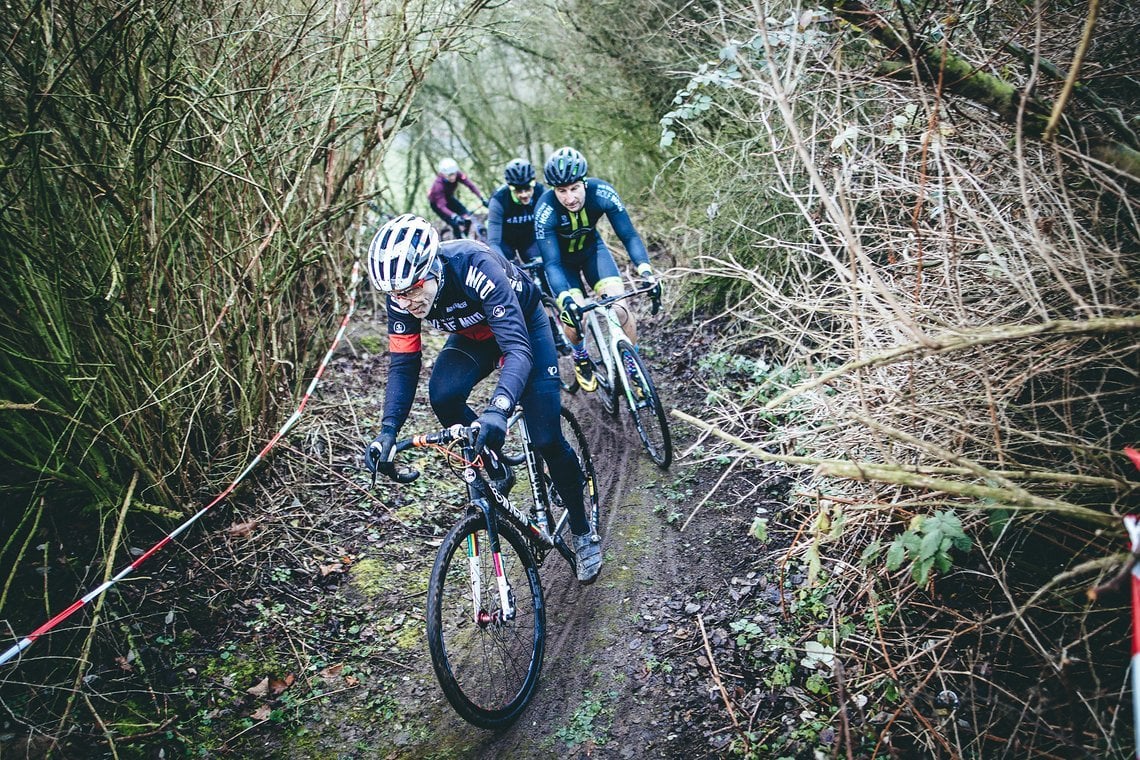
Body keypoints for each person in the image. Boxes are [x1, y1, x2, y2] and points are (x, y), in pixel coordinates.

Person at [362, 213, 603, 583]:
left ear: (432, 269)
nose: (405, 301)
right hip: (473, 339)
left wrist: (499, 409)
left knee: (547, 439)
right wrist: (388, 431)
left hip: (523, 331)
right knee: (443, 395)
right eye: (396, 294)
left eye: (412, 290)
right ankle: (497, 467)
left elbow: (518, 350)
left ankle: (583, 530)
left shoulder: (475, 265)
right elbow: (403, 366)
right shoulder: (401, 298)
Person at [534, 146, 660, 392]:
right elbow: (552, 263)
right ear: (554, 190)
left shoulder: (602, 192)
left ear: (584, 183)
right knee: (575, 317)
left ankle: (632, 367)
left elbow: (629, 236)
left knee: (621, 308)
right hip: (563, 266)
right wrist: (565, 299)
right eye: (562, 191)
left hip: (594, 254)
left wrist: (646, 271)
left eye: (574, 188)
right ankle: (580, 356)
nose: (570, 198)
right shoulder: (545, 211)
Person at [486, 159, 547, 285]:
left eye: (527, 189)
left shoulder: (542, 193)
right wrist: (505, 266)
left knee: (542, 269)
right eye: (519, 191)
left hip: (529, 240)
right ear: (511, 188)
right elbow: (493, 242)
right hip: (505, 241)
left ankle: (550, 300)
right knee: (509, 278)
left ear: (533, 183)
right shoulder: (499, 200)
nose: (524, 194)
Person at [428, 157, 488, 240]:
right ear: (444, 174)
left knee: (467, 216)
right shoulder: (438, 186)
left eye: (454, 174)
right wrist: (454, 216)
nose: (453, 177)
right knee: (455, 224)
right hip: (437, 204)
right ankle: (459, 240)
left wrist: (482, 198)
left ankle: (467, 237)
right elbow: (442, 206)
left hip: (449, 198)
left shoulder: (458, 174)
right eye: (450, 175)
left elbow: (470, 185)